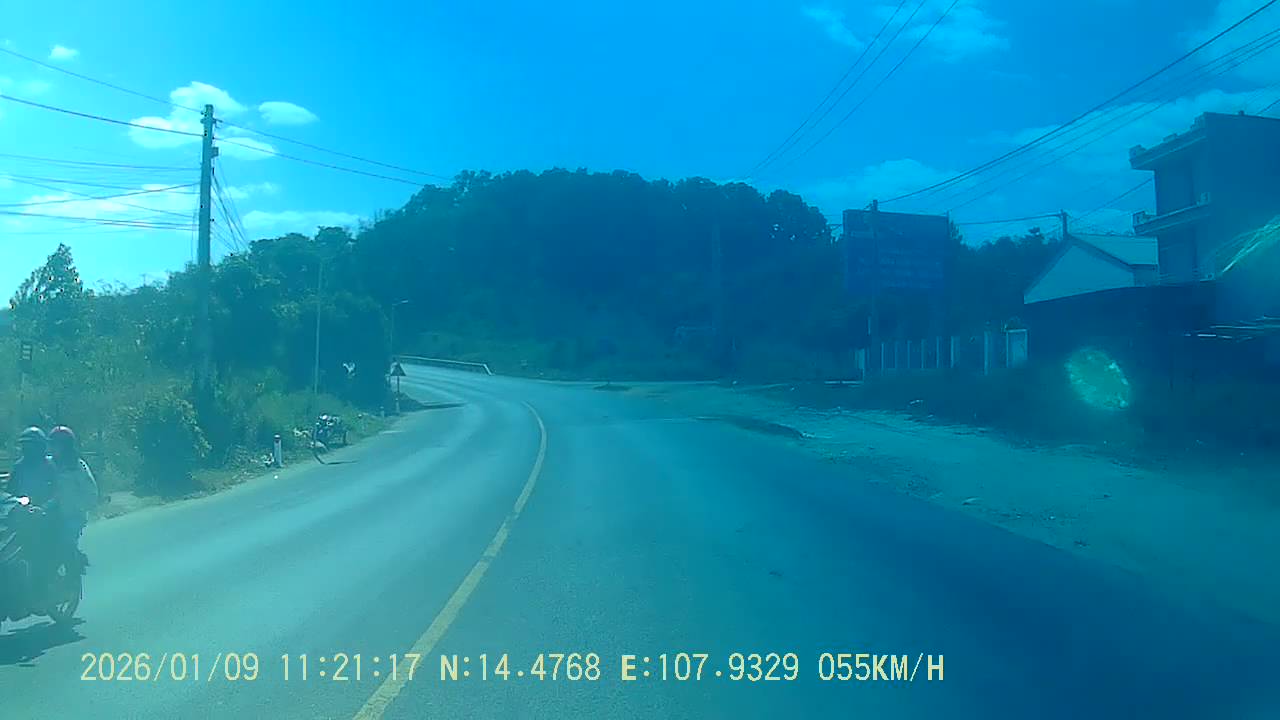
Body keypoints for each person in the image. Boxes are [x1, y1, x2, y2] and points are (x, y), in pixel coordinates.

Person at [47, 426, 98, 559]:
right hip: (48, 514)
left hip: (72, 516)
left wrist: (77, 507)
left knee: (67, 546)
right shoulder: (47, 464)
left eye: (56, 444)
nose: (52, 447)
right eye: (51, 443)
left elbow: (91, 492)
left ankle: (74, 565)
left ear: (66, 446)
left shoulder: (77, 466)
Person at [9, 427, 55, 506]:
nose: (27, 449)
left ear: (41, 447)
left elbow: (56, 493)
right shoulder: (19, 467)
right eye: (25, 446)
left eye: (31, 446)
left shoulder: (50, 466)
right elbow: (11, 492)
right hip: (23, 509)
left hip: (47, 510)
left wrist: (44, 507)